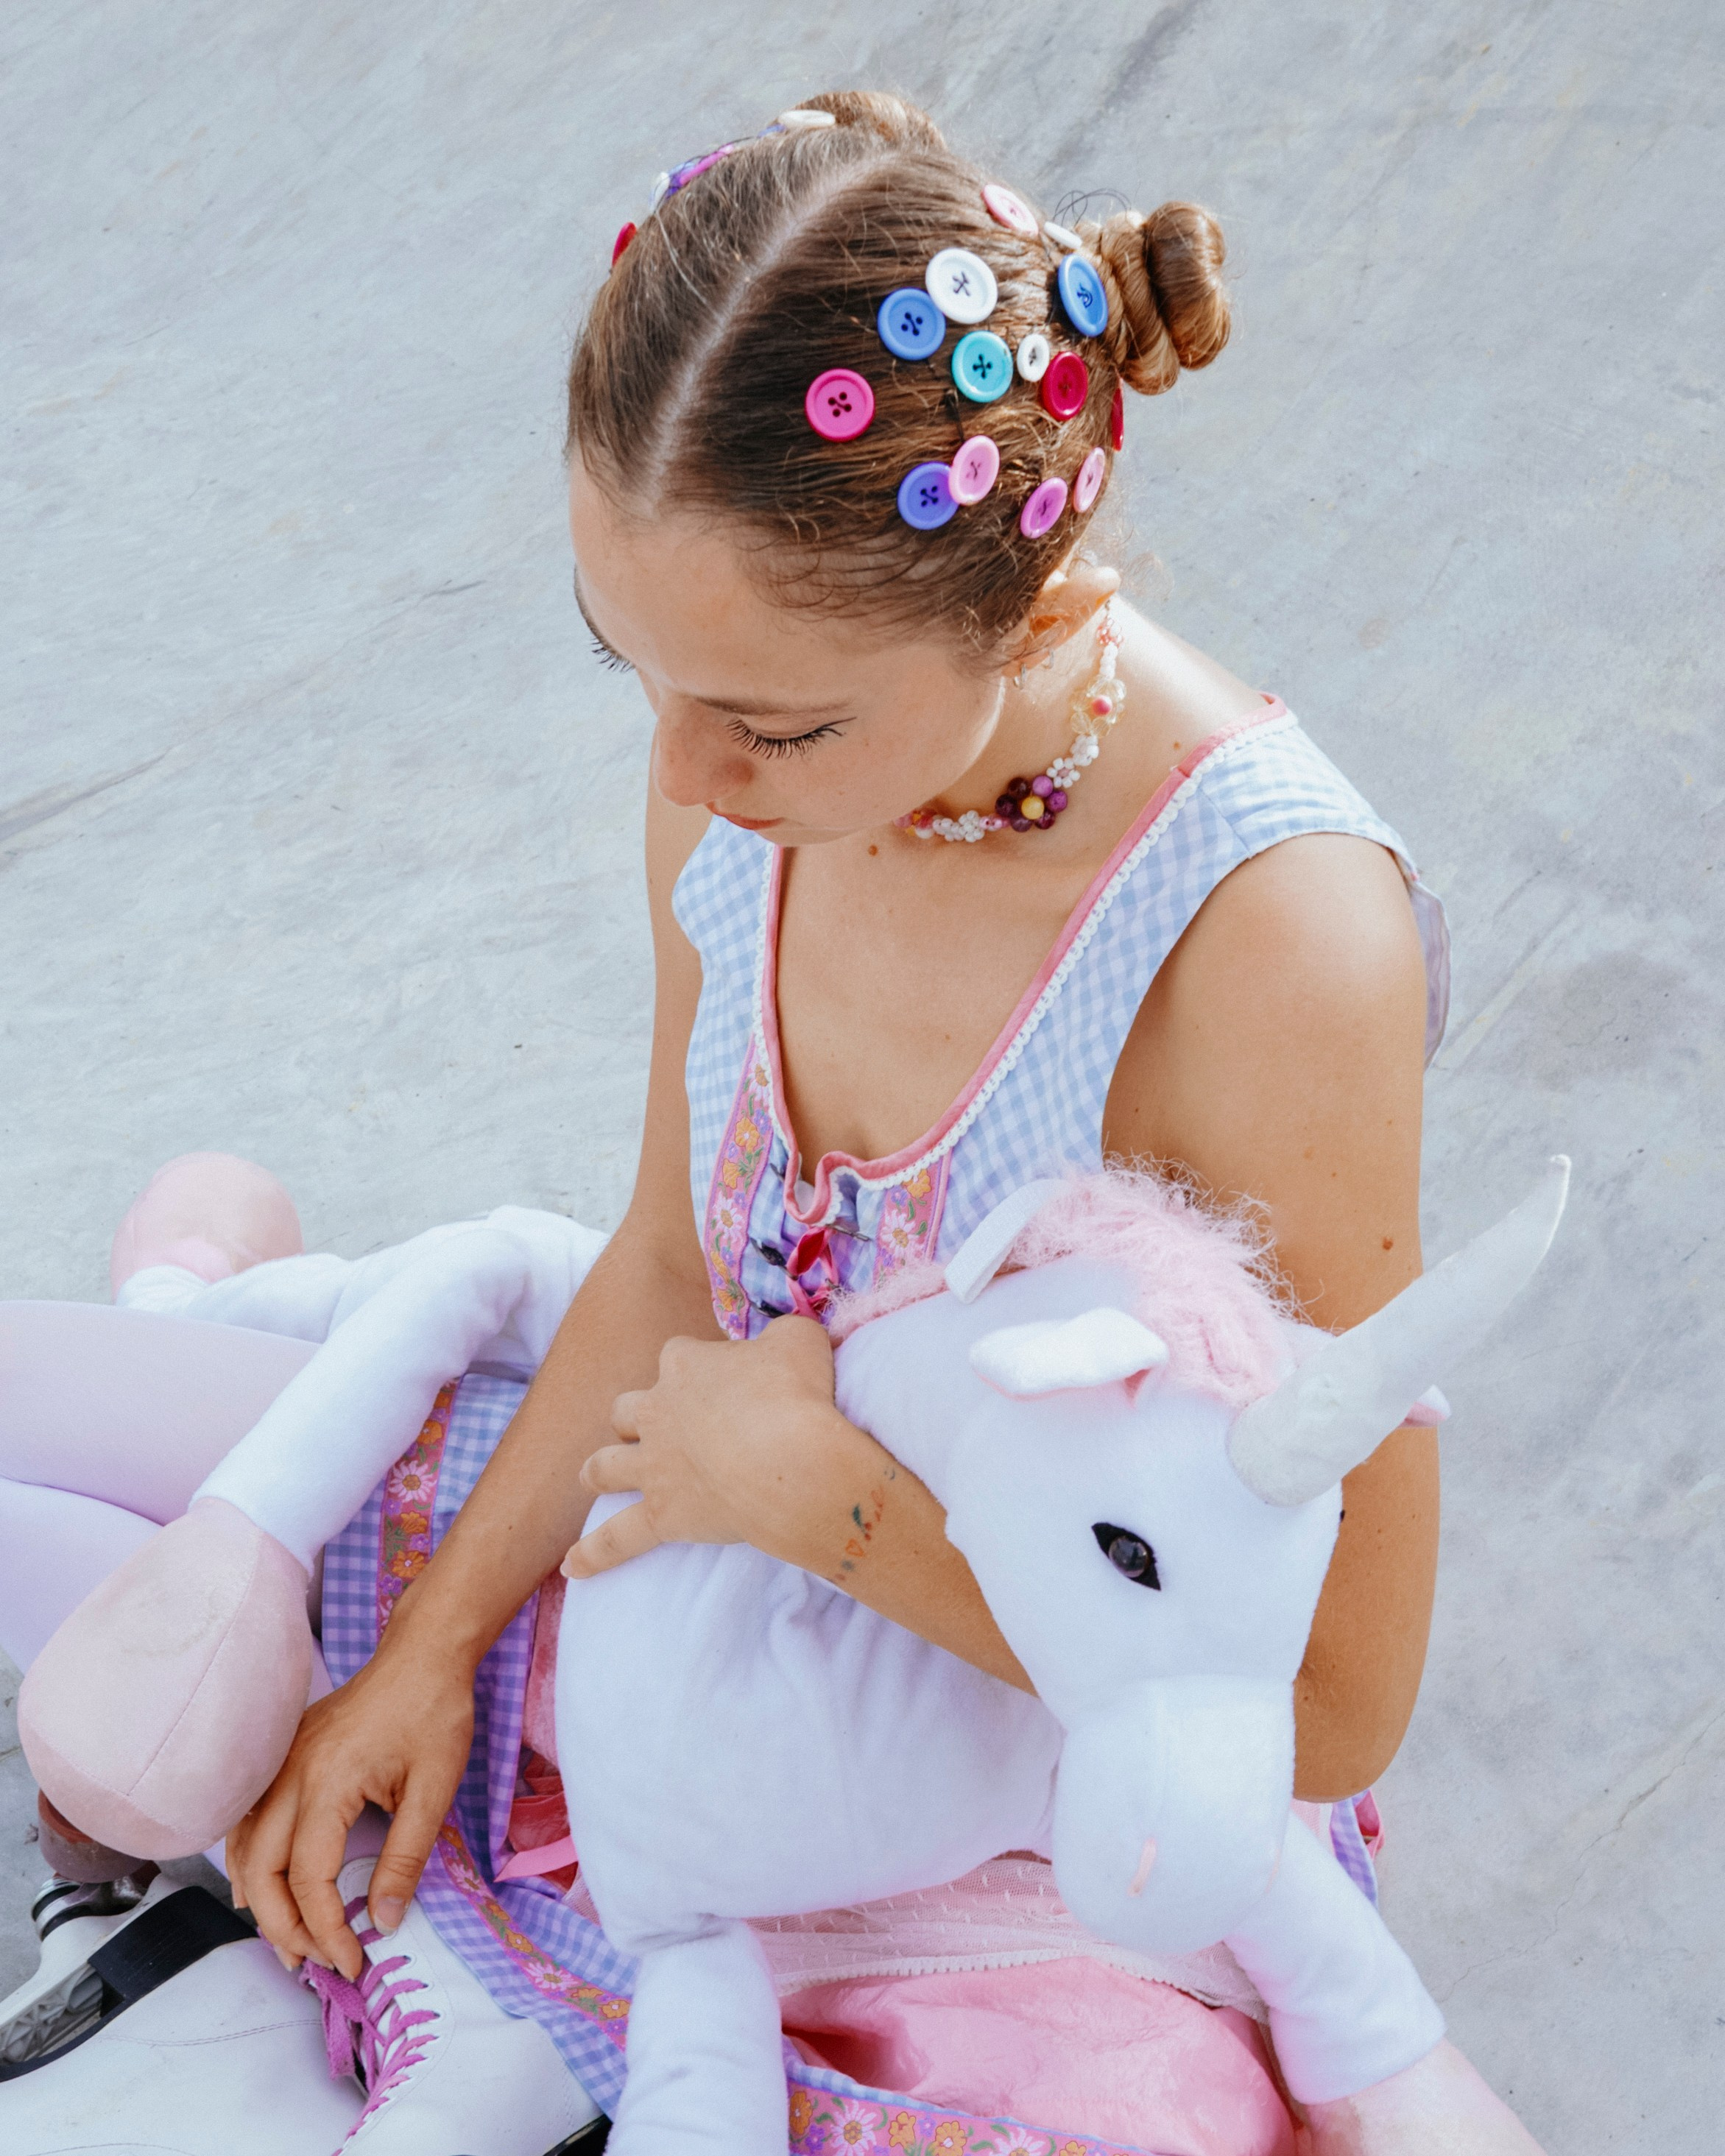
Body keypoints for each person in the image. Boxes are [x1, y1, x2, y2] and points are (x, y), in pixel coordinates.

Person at [0, 88, 1545, 2155]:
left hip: (1018, 1757)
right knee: (67, 1475)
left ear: (1045, 608)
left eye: (779, 720)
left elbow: (1329, 1700)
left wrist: (817, 1495)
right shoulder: (736, 765)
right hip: (670, 1543)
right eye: (626, 664)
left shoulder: (1269, 935)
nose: (689, 773)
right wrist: (435, 1649)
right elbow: (668, 1256)